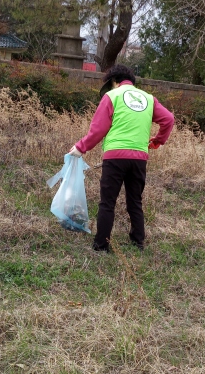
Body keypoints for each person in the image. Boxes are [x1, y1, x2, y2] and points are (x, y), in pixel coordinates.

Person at [68, 64, 174, 252]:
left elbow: (98, 129)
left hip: (115, 156)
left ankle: (101, 245)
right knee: (135, 201)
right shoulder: (148, 99)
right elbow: (169, 119)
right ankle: (138, 242)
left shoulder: (112, 96)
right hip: (139, 158)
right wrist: (158, 140)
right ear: (131, 81)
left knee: (107, 203)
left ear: (115, 81)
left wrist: (81, 147)